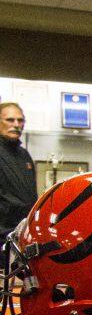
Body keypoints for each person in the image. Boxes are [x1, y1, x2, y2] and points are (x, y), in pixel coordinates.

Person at [0, 102, 36, 240]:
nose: (16, 124)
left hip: (22, 235)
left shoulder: (24, 155)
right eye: (10, 119)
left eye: (20, 120)